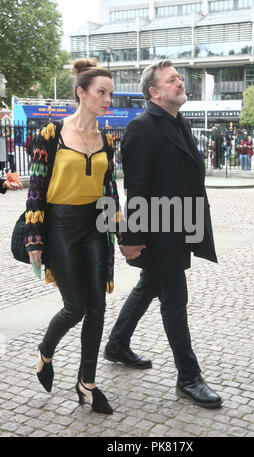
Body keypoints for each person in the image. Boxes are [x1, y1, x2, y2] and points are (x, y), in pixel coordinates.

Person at [104, 60, 222, 409]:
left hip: (178, 226)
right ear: (154, 91)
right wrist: (130, 236)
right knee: (175, 300)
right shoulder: (142, 127)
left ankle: (116, 344)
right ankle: (188, 377)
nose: (179, 83)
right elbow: (137, 189)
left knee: (149, 285)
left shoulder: (177, 121)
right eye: (172, 80)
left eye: (178, 79)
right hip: (158, 231)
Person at [25, 58, 121, 415]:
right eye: (101, 92)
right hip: (61, 227)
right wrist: (35, 238)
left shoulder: (106, 139)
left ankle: (87, 384)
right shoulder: (50, 135)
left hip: (96, 226)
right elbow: (35, 188)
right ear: (81, 93)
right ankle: (45, 352)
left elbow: (109, 189)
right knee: (75, 306)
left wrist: (118, 229)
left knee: (97, 306)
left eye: (110, 93)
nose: (107, 99)